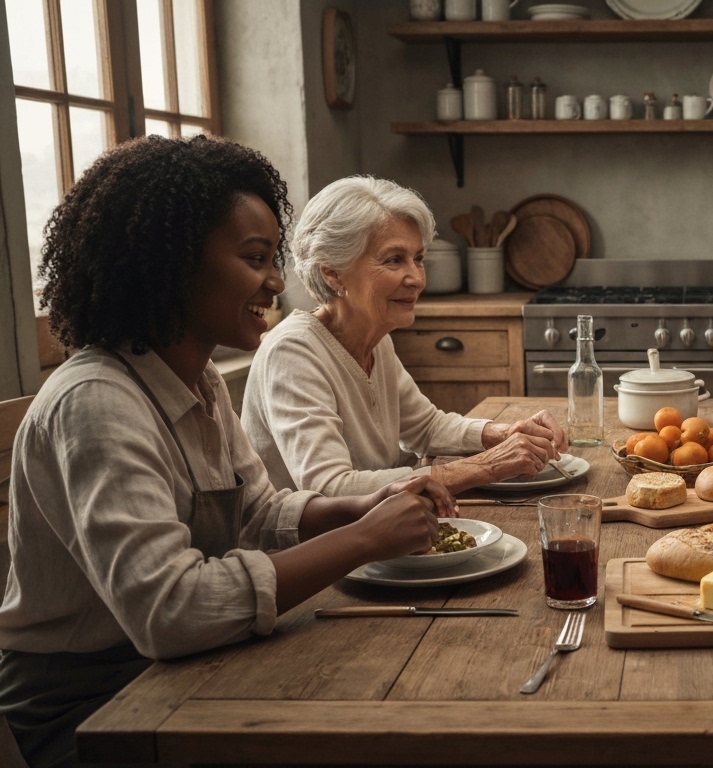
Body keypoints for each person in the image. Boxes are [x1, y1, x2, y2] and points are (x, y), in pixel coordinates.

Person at [0, 136, 458, 768]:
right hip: (93, 705)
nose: (275, 280)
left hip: (186, 666)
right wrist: (364, 540)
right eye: (254, 258)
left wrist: (362, 505)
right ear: (171, 264)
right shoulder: (96, 402)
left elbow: (259, 513)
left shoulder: (198, 377)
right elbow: (172, 612)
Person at [242, 176, 566, 497]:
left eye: (418, 258)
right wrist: (488, 466)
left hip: (376, 532)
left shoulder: (375, 336)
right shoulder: (293, 352)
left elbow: (426, 428)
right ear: (333, 272)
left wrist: (505, 432)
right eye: (394, 259)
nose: (416, 278)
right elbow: (331, 488)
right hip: (311, 546)